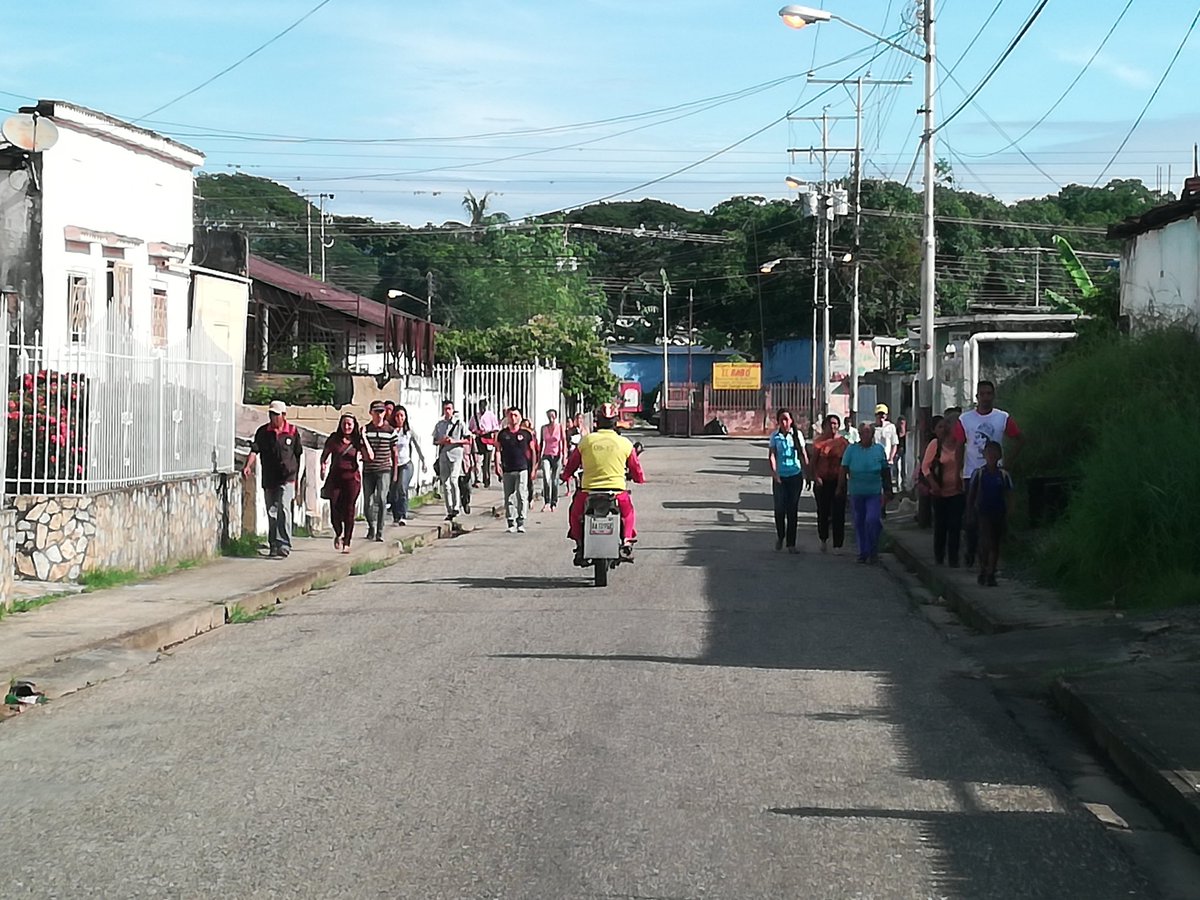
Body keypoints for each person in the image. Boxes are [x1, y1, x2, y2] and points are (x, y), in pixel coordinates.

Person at [561, 403, 645, 566]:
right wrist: (639, 479)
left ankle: (579, 544)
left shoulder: (586, 441)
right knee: (628, 513)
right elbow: (636, 468)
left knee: (574, 513)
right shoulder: (625, 443)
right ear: (615, 422)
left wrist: (565, 475)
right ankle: (626, 540)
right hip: (617, 493)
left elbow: (572, 464)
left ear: (596, 422)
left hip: (588, 492)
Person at [952, 380, 1024, 566]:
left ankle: (991, 556)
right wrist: (957, 472)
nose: (985, 397)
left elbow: (1019, 439)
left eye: (989, 394)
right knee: (971, 517)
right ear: (977, 397)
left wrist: (1007, 464)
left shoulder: (1002, 418)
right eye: (982, 394)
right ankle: (971, 550)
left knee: (994, 516)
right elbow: (959, 446)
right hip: (972, 474)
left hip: (995, 475)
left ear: (993, 396)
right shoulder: (965, 420)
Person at [243, 400, 304, 559]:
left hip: (287, 477)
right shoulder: (263, 432)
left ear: (284, 415)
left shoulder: (292, 431)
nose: (273, 417)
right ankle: (274, 544)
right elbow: (255, 450)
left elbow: (298, 454)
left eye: (276, 414)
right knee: (272, 512)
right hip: (270, 477)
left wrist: (297, 477)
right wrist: (248, 466)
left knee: (284, 508)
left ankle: (284, 543)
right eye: (271, 414)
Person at [838, 422, 891, 564]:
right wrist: (841, 487)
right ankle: (863, 552)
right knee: (860, 522)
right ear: (859, 435)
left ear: (872, 435)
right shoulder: (852, 449)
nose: (865, 435)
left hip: (873, 492)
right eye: (862, 433)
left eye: (868, 432)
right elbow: (844, 468)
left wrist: (887, 490)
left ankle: (873, 549)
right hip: (857, 491)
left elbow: (885, 471)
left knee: (872, 520)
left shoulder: (879, 450)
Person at [321, 413, 372, 553]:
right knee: (335, 508)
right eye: (344, 424)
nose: (347, 426)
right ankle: (338, 533)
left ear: (354, 425)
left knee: (349, 510)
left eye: (349, 424)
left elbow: (369, 457)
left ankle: (347, 542)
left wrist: (364, 438)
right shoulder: (334, 439)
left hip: (352, 479)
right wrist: (323, 466)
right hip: (335, 478)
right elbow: (325, 455)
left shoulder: (357, 441)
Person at [965, 440, 1014, 586]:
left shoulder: (1003, 475)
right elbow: (971, 494)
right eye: (989, 453)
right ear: (984, 455)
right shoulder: (979, 474)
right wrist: (969, 512)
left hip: (998, 512)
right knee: (984, 542)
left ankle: (991, 572)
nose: (991, 456)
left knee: (995, 543)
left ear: (999, 456)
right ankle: (983, 568)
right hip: (983, 512)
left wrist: (1011, 510)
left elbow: (1010, 494)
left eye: (994, 453)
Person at [921, 415, 965, 567]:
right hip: (939, 492)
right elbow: (925, 466)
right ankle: (939, 556)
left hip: (958, 491)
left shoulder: (963, 445)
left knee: (955, 525)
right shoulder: (936, 444)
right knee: (941, 525)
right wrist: (933, 484)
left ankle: (953, 558)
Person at [768, 408, 808, 554]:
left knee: (792, 510)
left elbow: (803, 454)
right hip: (780, 477)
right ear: (778, 422)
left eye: (787, 419)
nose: (784, 422)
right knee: (779, 509)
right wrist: (774, 472)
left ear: (791, 420)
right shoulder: (775, 437)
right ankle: (780, 536)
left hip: (795, 476)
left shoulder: (797, 436)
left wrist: (807, 473)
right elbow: (772, 455)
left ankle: (791, 543)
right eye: (781, 420)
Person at [811, 413, 849, 553]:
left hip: (839, 481)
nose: (833, 426)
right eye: (830, 424)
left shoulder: (843, 443)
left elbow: (847, 463)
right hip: (823, 482)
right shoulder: (818, 443)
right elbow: (813, 463)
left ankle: (838, 544)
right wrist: (816, 477)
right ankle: (823, 538)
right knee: (823, 512)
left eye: (835, 424)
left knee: (839, 513)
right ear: (825, 426)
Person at [361, 401, 398, 542]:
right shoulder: (365, 430)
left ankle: (380, 531)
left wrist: (395, 473)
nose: (379, 415)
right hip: (368, 470)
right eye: (376, 412)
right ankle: (371, 526)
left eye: (381, 412)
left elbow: (395, 453)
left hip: (384, 470)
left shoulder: (390, 431)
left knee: (382, 499)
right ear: (371, 413)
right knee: (367, 503)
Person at [495, 407, 535, 533]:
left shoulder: (526, 434)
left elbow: (533, 451)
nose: (513, 418)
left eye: (516, 415)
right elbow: (497, 450)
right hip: (508, 468)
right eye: (511, 415)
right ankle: (511, 521)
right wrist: (497, 465)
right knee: (509, 496)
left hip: (522, 468)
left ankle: (521, 520)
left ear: (520, 417)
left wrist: (533, 468)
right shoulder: (502, 434)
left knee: (521, 494)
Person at [433, 400, 471, 522]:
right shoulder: (440, 425)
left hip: (456, 454)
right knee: (445, 483)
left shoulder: (459, 424)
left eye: (449, 409)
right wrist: (442, 441)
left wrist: (455, 441)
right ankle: (449, 509)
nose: (447, 411)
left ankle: (456, 507)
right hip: (444, 455)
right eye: (445, 409)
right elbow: (434, 441)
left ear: (453, 410)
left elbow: (468, 440)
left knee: (454, 480)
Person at [388, 404, 426, 525]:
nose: (399, 418)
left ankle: (403, 515)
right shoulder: (391, 431)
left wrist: (423, 460)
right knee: (393, 490)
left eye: (402, 416)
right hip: (393, 465)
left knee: (402, 488)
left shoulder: (408, 432)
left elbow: (418, 446)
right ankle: (396, 515)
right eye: (397, 415)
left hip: (406, 464)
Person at [468, 399, 501, 488]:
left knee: (487, 462)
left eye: (483, 407)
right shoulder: (475, 416)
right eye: (480, 407)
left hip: (487, 439)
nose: (482, 409)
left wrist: (494, 439)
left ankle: (487, 479)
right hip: (478, 439)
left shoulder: (490, 415)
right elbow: (470, 428)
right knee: (477, 461)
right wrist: (476, 431)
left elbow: (496, 428)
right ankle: (477, 479)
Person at [874, 403, 900, 514]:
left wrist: (891, 458)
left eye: (883, 414)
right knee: (876, 486)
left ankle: (883, 506)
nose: (881, 417)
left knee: (887, 487)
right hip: (874, 461)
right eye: (879, 414)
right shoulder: (872, 428)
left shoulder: (891, 427)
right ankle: (878, 507)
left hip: (885, 461)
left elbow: (895, 444)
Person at [539, 409, 566, 512]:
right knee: (546, 478)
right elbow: (541, 443)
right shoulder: (544, 428)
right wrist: (538, 458)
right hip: (546, 455)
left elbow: (563, 442)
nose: (551, 418)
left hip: (557, 455)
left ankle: (554, 502)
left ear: (555, 416)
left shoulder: (560, 427)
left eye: (553, 416)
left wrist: (564, 456)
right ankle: (546, 502)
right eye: (549, 416)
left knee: (555, 480)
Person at [520, 416, 539, 501]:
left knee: (529, 481)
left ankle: (530, 498)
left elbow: (536, 449)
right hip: (521, 459)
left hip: (529, 459)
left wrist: (536, 463)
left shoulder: (532, 435)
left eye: (527, 426)